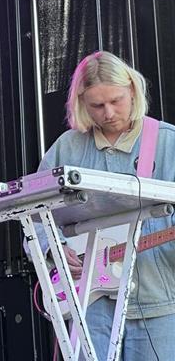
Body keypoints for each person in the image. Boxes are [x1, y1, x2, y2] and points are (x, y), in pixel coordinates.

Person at [34, 51, 175, 360]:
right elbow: (32, 210)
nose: (108, 112)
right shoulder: (68, 146)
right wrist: (52, 249)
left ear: (133, 91)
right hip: (91, 302)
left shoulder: (167, 143)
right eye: (97, 105)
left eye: (116, 101)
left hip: (158, 299)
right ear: (82, 104)